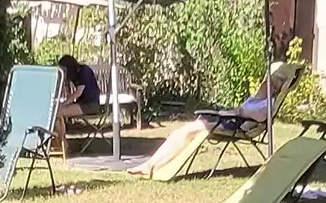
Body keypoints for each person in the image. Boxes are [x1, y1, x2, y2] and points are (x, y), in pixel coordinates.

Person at [123, 67, 289, 178]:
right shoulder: (258, 98)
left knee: (186, 131)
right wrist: (236, 111)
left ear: (278, 89)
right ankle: (152, 164)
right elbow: (242, 110)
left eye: (274, 84)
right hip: (230, 119)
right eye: (269, 81)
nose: (269, 85)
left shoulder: (268, 103)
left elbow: (259, 116)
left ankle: (152, 164)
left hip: (237, 125)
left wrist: (238, 111)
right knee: (182, 132)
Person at [55, 55, 102, 145]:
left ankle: (62, 144)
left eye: (63, 69)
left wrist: (64, 104)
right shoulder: (73, 75)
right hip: (82, 103)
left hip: (91, 105)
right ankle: (61, 141)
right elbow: (68, 92)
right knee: (57, 112)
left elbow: (78, 93)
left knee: (58, 113)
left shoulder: (84, 71)